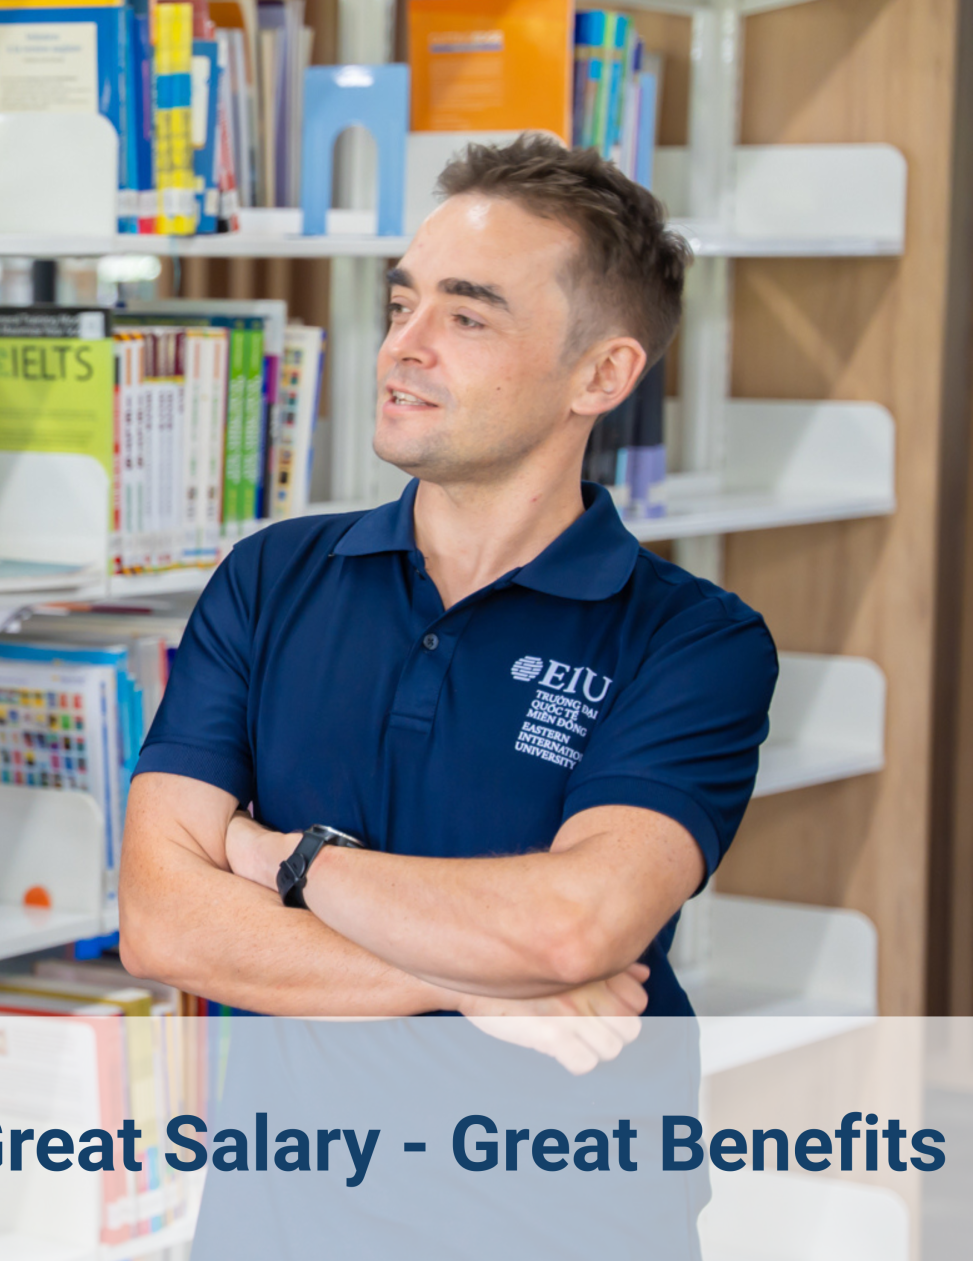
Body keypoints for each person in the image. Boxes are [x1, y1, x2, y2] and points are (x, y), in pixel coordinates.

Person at [117, 136, 778, 1052]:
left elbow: (569, 930)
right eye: (402, 305)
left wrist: (280, 856)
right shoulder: (269, 576)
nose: (403, 346)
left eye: (467, 318)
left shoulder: (695, 640)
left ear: (602, 375)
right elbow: (162, 923)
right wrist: (480, 985)